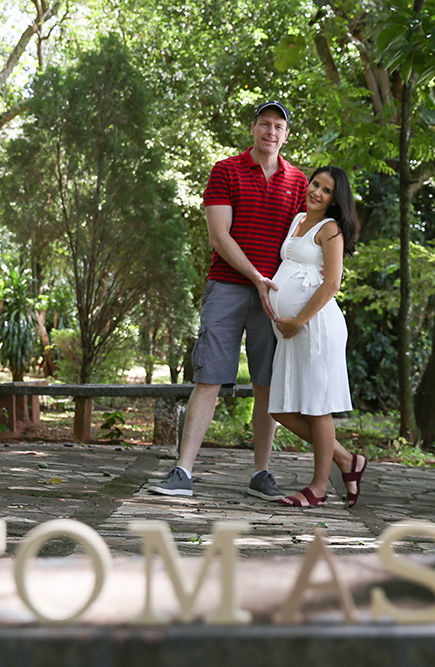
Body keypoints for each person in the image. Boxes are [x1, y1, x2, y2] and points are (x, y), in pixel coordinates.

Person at [148, 100, 307, 499]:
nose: (271, 131)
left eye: (279, 126)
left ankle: (261, 473)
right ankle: (183, 471)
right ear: (253, 127)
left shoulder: (299, 182)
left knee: (267, 384)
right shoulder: (226, 170)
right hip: (228, 286)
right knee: (209, 379)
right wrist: (255, 277)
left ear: (286, 135)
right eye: (265, 124)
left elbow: (306, 240)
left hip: (275, 294)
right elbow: (219, 236)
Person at [268, 166, 367, 508]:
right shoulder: (298, 219)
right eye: (315, 184)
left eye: (326, 190)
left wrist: (298, 321)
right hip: (291, 332)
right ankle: (345, 460)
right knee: (281, 409)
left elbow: (332, 283)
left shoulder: (331, 230)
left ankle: (319, 488)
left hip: (316, 327)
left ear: (334, 200)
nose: (316, 192)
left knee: (317, 407)